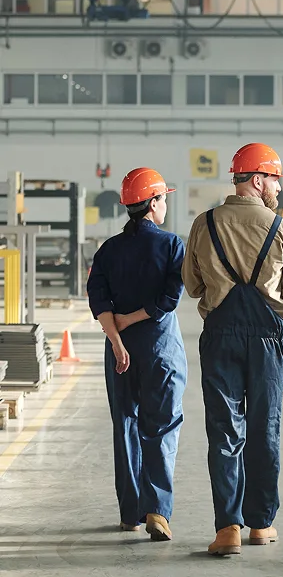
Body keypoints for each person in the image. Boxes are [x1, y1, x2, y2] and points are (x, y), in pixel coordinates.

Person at [182, 143, 283, 556]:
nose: (277, 187)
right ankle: (261, 524)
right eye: (273, 178)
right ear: (257, 179)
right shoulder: (281, 227)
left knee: (223, 430)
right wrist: (273, 311)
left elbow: (193, 285)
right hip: (267, 338)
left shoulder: (204, 224)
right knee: (264, 427)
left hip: (220, 336)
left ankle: (227, 529)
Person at [87, 167, 187, 542]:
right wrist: (132, 319)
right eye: (163, 199)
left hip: (119, 352)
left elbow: (98, 298)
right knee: (161, 425)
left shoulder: (109, 249)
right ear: (154, 203)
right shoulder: (172, 245)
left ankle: (130, 513)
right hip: (160, 348)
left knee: (125, 425)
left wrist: (116, 337)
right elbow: (170, 299)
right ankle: (157, 512)